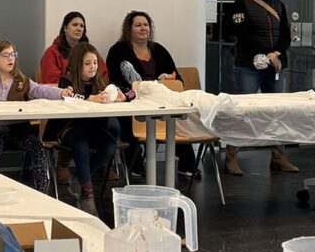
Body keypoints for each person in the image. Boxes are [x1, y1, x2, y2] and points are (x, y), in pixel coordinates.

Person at [0, 39, 72, 194]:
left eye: (13, 54)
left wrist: (61, 93)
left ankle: (41, 193)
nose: (11, 58)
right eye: (5, 55)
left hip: (20, 132)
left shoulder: (22, 81)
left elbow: (43, 91)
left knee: (37, 149)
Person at [225, 0, 299, 176]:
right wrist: (266, 53)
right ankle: (231, 155)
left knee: (277, 111)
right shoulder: (241, 4)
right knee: (243, 111)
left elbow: (285, 35)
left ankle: (278, 156)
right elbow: (242, 34)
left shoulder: (279, 5)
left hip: (274, 65)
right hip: (248, 64)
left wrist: (276, 53)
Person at [105, 11, 197, 179]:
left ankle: (186, 164)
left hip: (160, 100)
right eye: (138, 25)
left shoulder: (159, 50)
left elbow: (179, 79)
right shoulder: (118, 51)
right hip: (132, 101)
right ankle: (135, 165)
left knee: (177, 118)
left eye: (145, 25)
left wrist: (169, 79)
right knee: (129, 120)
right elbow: (114, 82)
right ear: (129, 29)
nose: (143, 28)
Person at [49, 43, 123, 215]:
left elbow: (126, 91)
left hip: (94, 128)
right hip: (68, 129)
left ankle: (81, 178)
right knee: (80, 143)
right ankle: (87, 194)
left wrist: (122, 95)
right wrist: (91, 98)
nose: (93, 67)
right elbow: (71, 96)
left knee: (110, 144)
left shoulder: (100, 82)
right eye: (88, 63)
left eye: (95, 63)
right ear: (77, 65)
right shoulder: (66, 81)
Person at [40, 12, 108, 183]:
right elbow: (54, 84)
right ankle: (64, 161)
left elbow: (104, 76)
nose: (79, 28)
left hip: (93, 111)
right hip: (65, 109)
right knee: (77, 134)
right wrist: (85, 94)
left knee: (113, 127)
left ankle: (99, 162)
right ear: (65, 28)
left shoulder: (90, 52)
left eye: (82, 25)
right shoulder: (52, 53)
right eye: (74, 24)